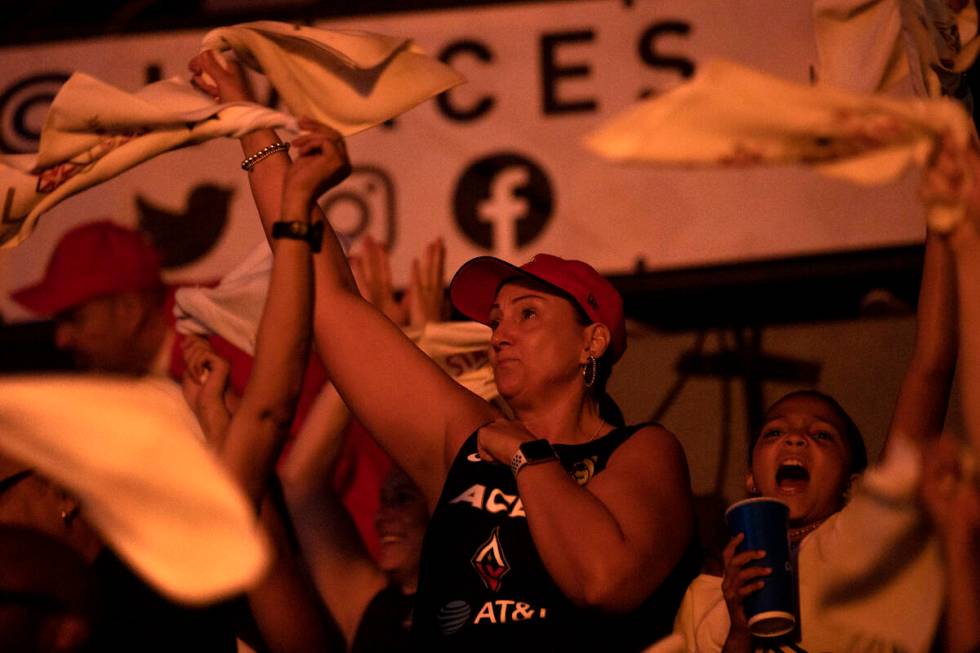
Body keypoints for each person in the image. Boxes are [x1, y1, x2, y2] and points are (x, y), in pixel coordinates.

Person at [189, 48, 700, 652]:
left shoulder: (641, 451)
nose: (500, 332)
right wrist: (254, 130)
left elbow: (604, 581)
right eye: (495, 318)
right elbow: (332, 301)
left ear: (592, 341)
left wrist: (528, 457)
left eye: (528, 314)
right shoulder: (468, 436)